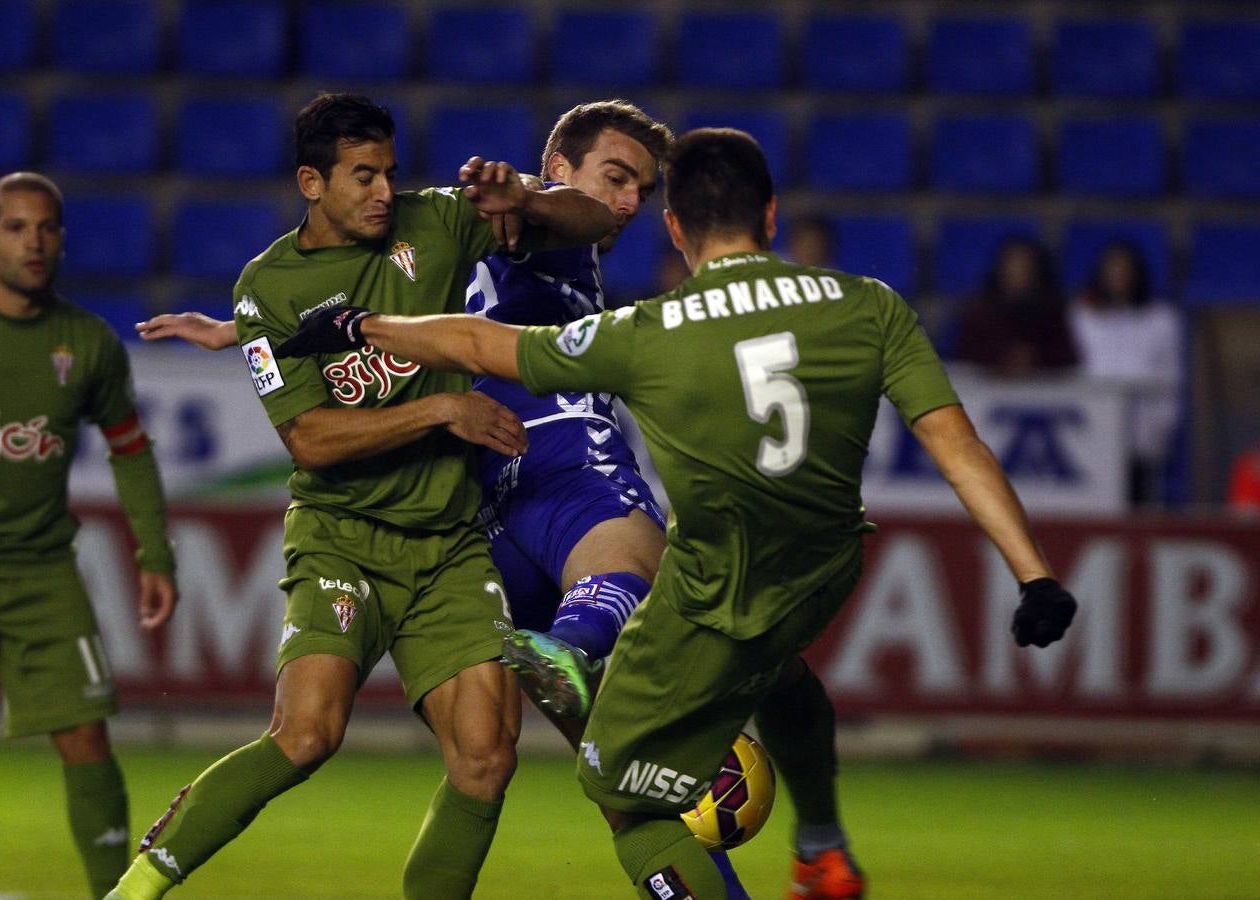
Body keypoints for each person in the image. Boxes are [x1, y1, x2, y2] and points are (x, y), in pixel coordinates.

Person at [277, 127, 1079, 899]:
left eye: (640, 191)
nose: (622, 205)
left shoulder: (648, 326)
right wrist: (1035, 574)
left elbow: (492, 336)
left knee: (607, 777)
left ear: (674, 226)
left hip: (661, 558)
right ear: (771, 215)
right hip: (814, 563)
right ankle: (820, 842)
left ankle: (576, 650)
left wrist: (357, 324)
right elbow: (956, 441)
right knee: (771, 686)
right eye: (614, 180)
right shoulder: (866, 303)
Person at [106, 93, 614, 900]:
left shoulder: (439, 221)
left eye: (389, 172)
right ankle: (134, 887)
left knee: (486, 756)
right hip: (343, 534)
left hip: (447, 544)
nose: (383, 191)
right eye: (362, 176)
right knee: (308, 735)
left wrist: (527, 199)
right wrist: (444, 406)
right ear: (312, 181)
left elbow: (596, 220)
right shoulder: (266, 287)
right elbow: (308, 438)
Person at [0, 172, 178, 897]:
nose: (33, 242)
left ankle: (113, 894)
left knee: (86, 737)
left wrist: (155, 552)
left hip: (40, 572)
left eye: (46, 227)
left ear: (62, 238)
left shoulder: (86, 343)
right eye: (16, 228)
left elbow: (130, 447)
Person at [1068, 239, 1183, 506]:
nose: (1118, 278)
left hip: (1139, 437)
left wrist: (1157, 434)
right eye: (1112, 272)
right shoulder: (1081, 316)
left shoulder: (1161, 319)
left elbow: (1170, 384)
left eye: (1125, 272)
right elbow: (1071, 377)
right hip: (1087, 434)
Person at [951, 235, 1079, 376]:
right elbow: (964, 360)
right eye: (1013, 265)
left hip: (1043, 390)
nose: (1018, 272)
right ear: (1001, 269)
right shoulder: (979, 311)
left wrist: (1033, 360)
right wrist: (1001, 361)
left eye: (1025, 267)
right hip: (986, 390)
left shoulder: (1052, 312)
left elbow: (1067, 361)